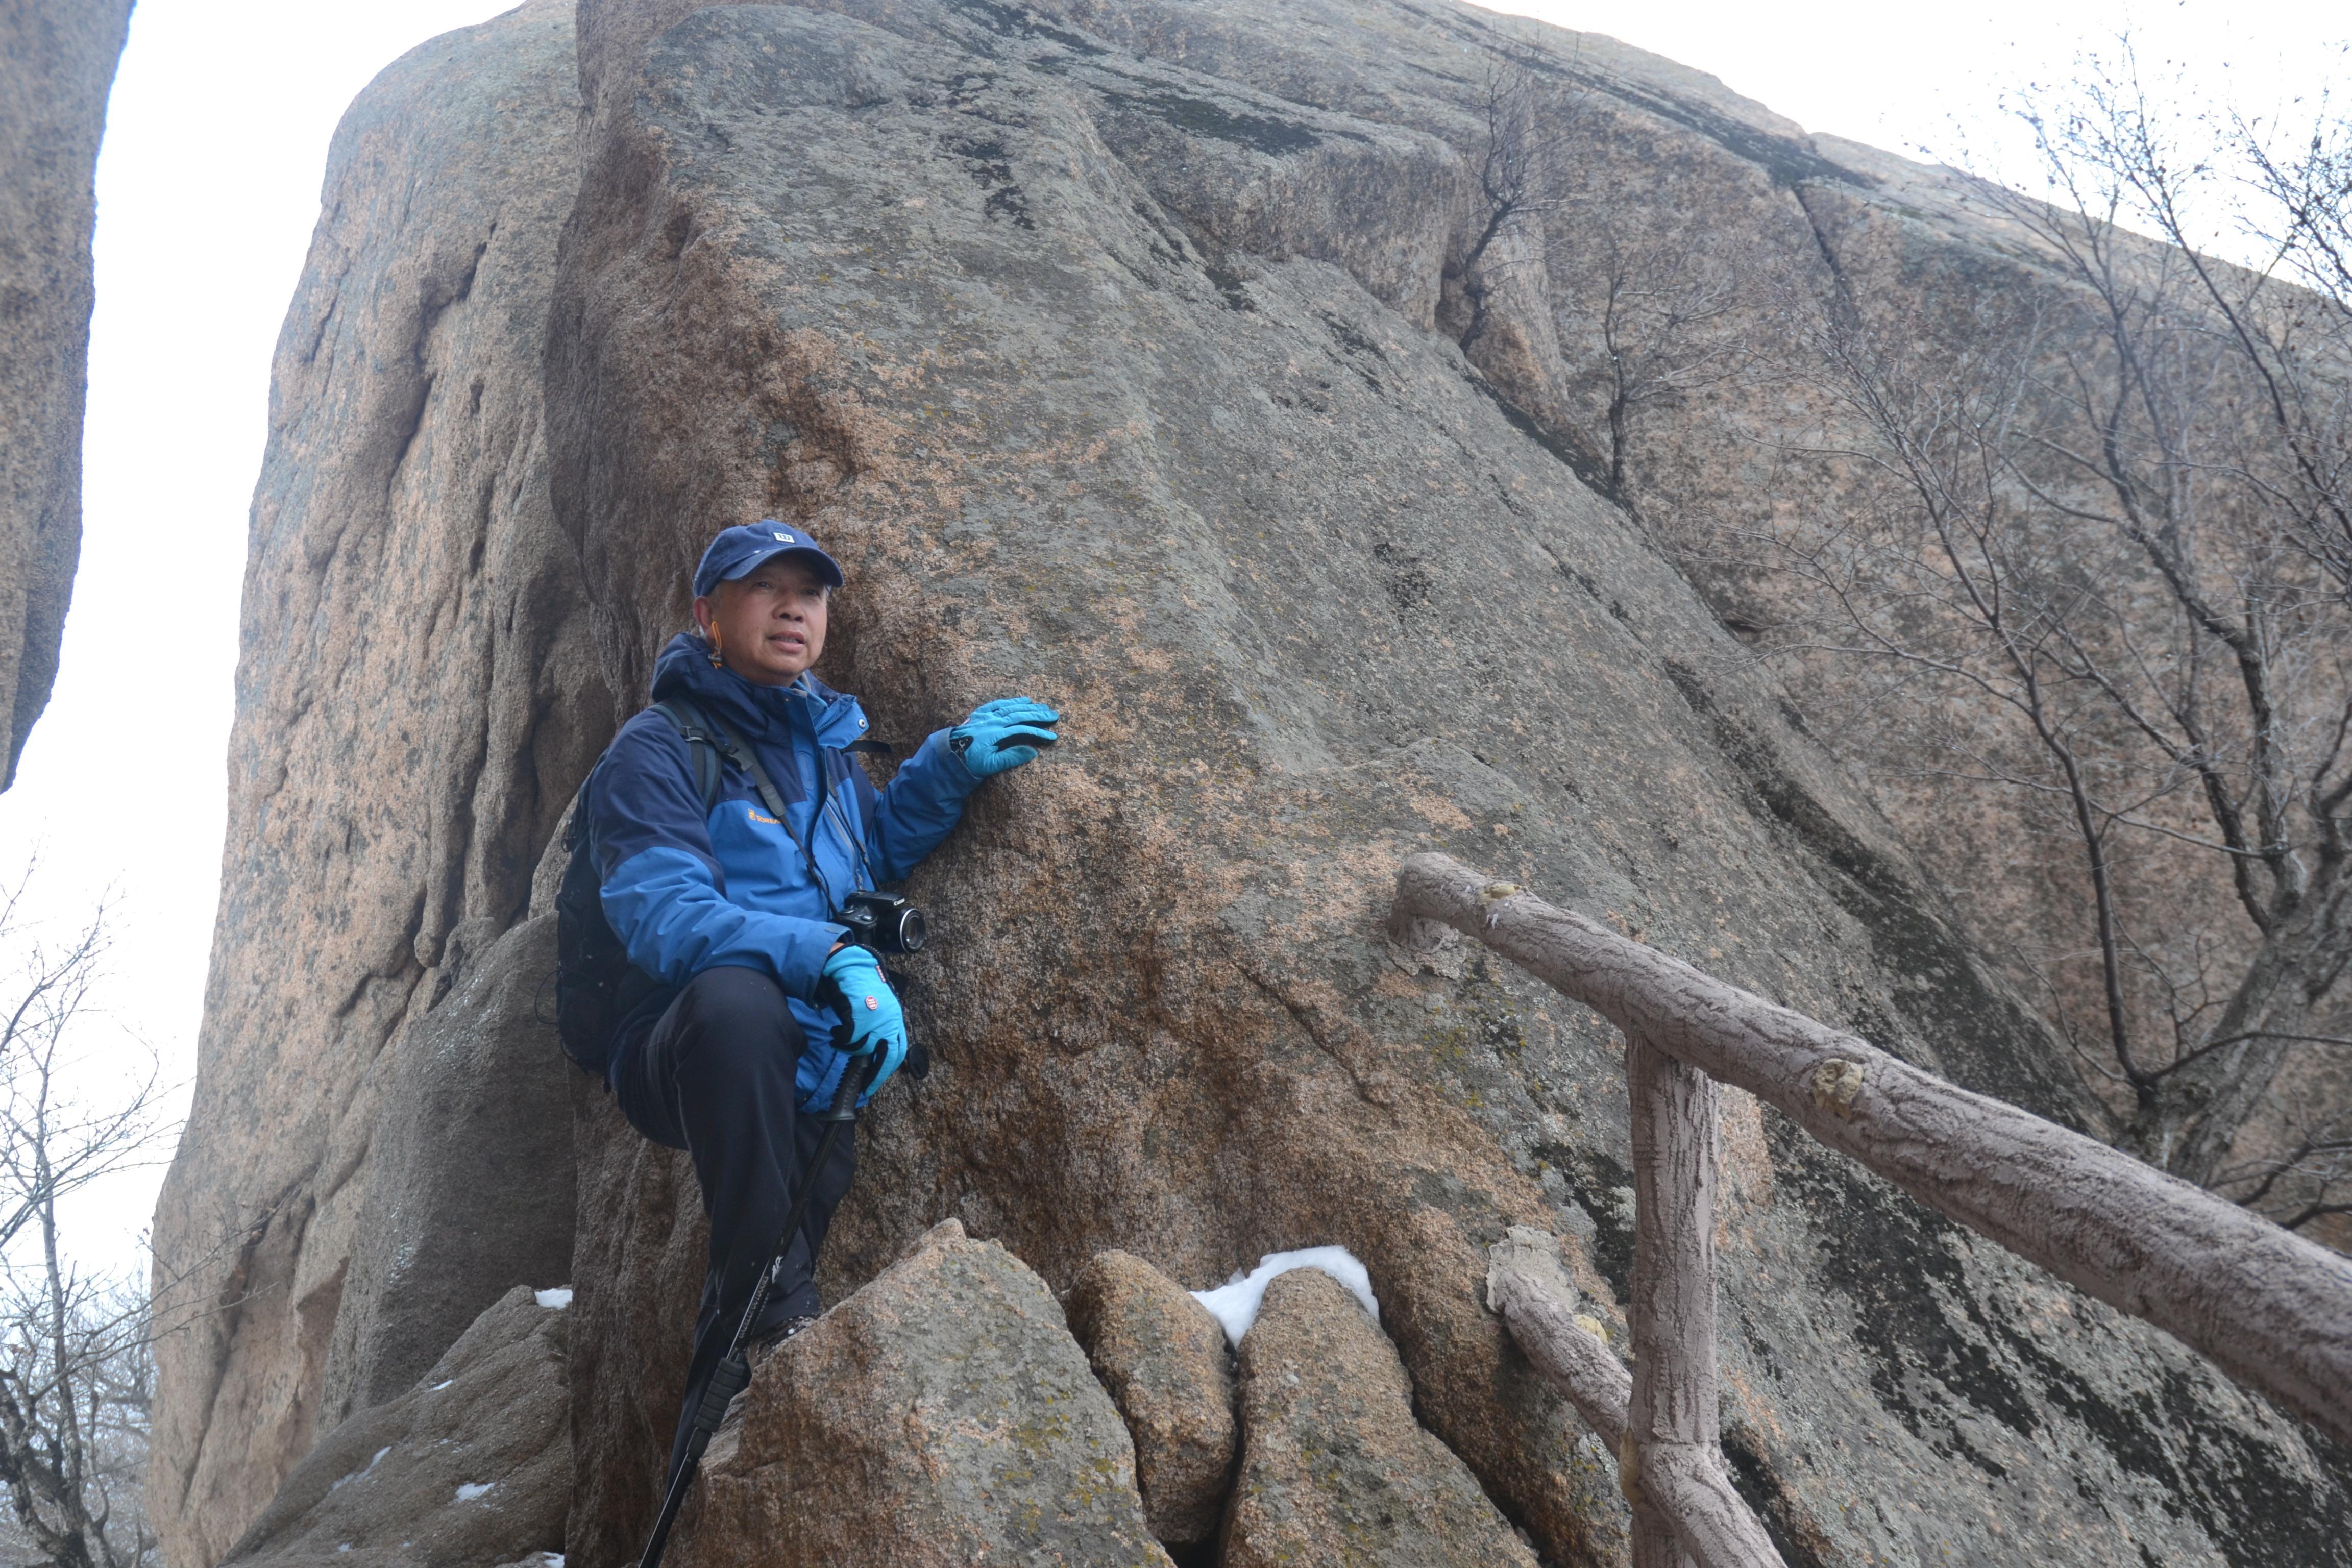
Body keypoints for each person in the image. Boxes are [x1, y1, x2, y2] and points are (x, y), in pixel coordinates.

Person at [580, 520, 1059, 1476]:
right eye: (767, 589)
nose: (795, 607)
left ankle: (702, 1476)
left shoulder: (826, 748)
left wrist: (948, 764)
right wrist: (831, 955)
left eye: (814, 592)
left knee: (745, 1302)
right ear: (708, 615)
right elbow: (663, 914)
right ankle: (782, 1324)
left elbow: (863, 860)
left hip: (813, 1058)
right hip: (690, 1044)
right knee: (737, 1009)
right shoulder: (658, 749)